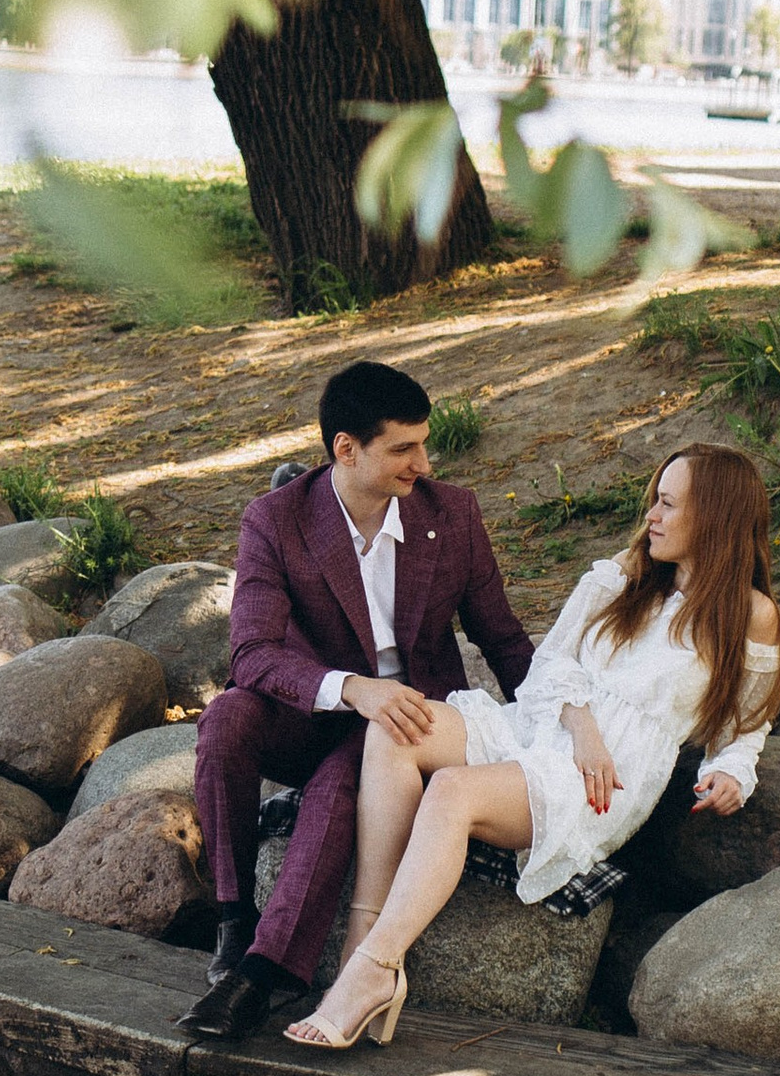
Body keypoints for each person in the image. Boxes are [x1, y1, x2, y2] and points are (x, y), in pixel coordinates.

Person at [285, 442, 780, 1051]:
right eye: (654, 500)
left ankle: (374, 971)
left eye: (667, 504)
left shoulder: (751, 615)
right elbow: (549, 662)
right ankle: (361, 946)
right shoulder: (622, 577)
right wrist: (581, 727)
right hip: (547, 727)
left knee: (451, 791)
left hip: (606, 781)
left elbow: (745, 723)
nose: (650, 516)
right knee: (397, 726)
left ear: (715, 518)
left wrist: (731, 771)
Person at [181, 358, 537, 1039]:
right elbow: (251, 655)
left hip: (407, 724)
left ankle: (264, 977)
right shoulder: (275, 521)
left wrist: (551, 733)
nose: (423, 463)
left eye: (423, 444)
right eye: (403, 448)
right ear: (346, 449)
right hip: (316, 710)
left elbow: (503, 637)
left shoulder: (451, 514)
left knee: (350, 774)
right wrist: (351, 688)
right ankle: (233, 917)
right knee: (226, 718)